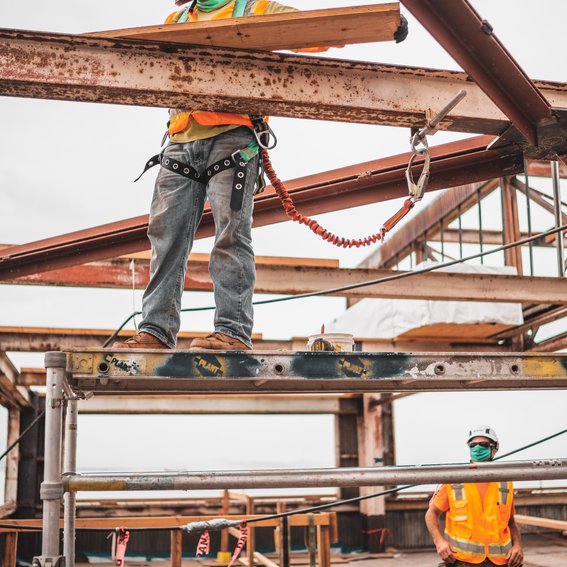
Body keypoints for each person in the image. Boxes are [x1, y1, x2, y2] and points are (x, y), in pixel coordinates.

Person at [114, 0, 408, 351]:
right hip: (180, 142)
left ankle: (233, 331)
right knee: (166, 239)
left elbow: (314, 28)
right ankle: (156, 331)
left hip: (233, 141)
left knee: (231, 235)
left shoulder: (253, 10)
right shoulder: (177, 20)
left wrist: (378, 25)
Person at [425, 426, 524, 567]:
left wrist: (518, 546)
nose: (477, 448)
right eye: (473, 445)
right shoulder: (454, 481)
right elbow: (431, 514)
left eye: (483, 445)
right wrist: (439, 542)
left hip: (501, 561)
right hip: (462, 561)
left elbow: (510, 522)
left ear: (494, 449)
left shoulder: (505, 483)